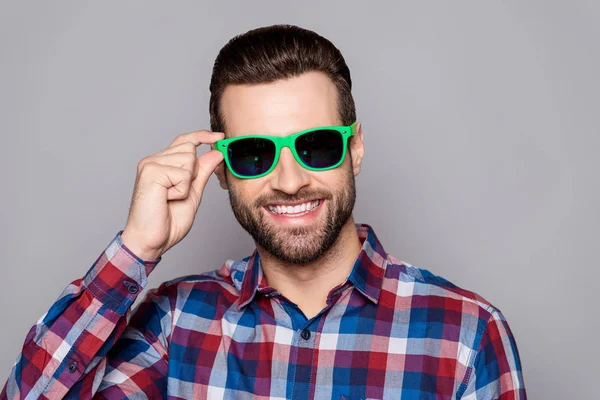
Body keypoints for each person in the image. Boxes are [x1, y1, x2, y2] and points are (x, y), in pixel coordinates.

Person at [1, 25, 526, 399]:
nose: (290, 181)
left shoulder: (466, 335)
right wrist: (136, 251)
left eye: (317, 146)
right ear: (224, 167)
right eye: (255, 154)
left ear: (356, 148)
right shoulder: (174, 324)